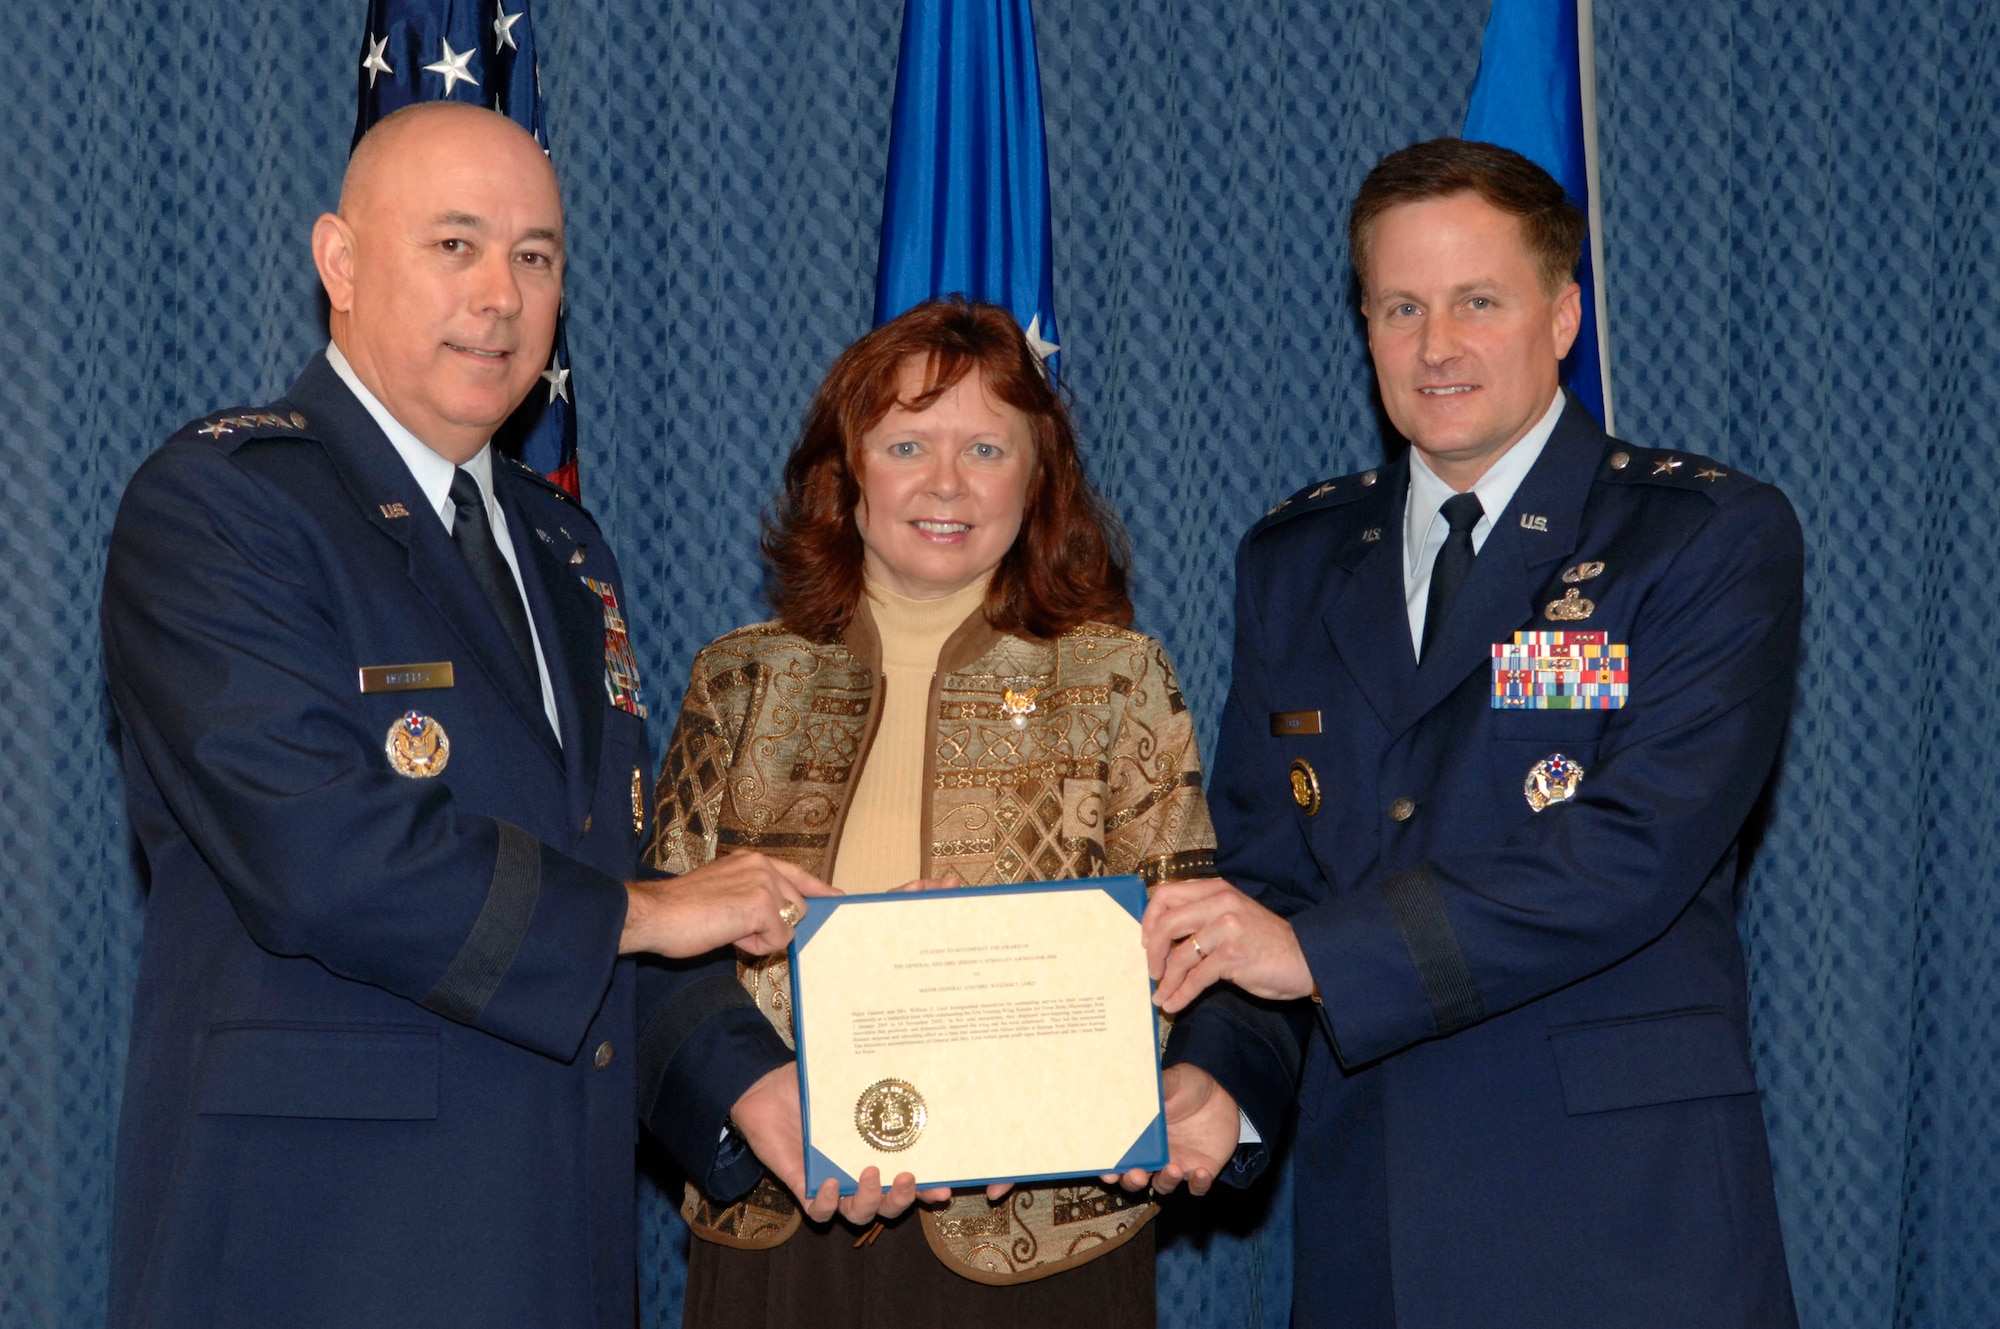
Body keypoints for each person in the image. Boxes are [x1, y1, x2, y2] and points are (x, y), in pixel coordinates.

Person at [99, 102, 873, 1329]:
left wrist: (752, 1094)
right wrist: (650, 909)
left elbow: (603, 893)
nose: (501, 296)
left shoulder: (564, 548)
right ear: (339, 264)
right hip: (326, 1250)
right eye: (453, 245)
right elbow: (325, 860)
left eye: (536, 255)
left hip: (552, 1242)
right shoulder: (222, 508)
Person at [1134, 138, 1803, 1327]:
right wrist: (1217, 1081)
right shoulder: (1292, 561)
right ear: (1364, 323)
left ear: (1560, 316)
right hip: (1371, 1225)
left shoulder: (1699, 537)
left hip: (1620, 1225)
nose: (1435, 346)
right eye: (1400, 306)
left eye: (1475, 302)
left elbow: (1629, 852)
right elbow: (1264, 876)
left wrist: (1319, 958)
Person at [647, 297, 1218, 1327]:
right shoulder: (740, 679)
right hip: (786, 1220)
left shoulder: (1118, 678)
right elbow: (654, 945)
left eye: (986, 448)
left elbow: (1189, 945)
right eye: (906, 442)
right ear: (846, 470)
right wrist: (750, 1093)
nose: (945, 483)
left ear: (1037, 480)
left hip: (1037, 1238)